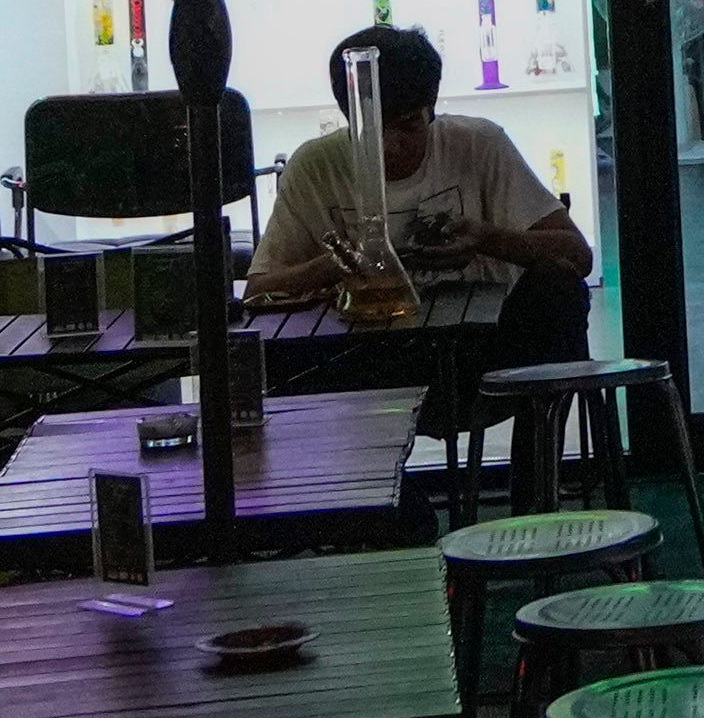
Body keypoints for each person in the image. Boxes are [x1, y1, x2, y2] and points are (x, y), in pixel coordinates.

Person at [247, 24, 597, 485]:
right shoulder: (314, 166)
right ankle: (366, 509)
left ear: (432, 110)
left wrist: (487, 238)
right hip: (365, 362)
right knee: (269, 357)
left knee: (558, 289)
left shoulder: (478, 145)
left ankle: (535, 501)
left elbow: (577, 256)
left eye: (410, 125)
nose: (391, 146)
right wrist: (330, 267)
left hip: (479, 356)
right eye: (372, 129)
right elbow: (258, 293)